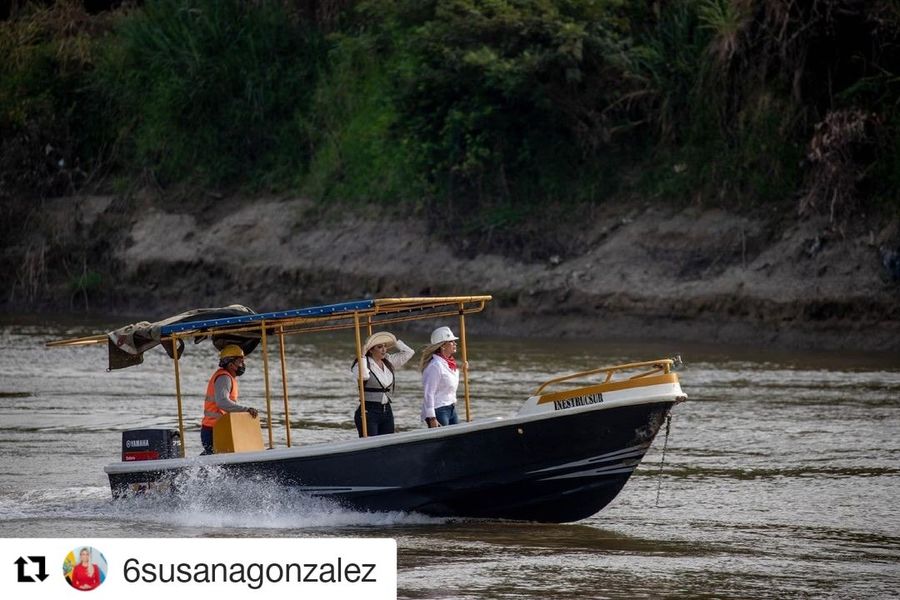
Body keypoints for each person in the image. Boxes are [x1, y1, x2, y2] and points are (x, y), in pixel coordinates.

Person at [351, 331, 414, 436]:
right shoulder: (362, 363)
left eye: (385, 346)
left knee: (388, 442)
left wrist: (395, 342)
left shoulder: (388, 361)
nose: (384, 349)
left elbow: (409, 352)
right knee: (371, 443)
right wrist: (362, 355)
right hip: (368, 411)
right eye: (380, 347)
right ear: (371, 350)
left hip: (387, 410)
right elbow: (363, 376)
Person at [201, 344, 258, 454]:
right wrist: (246, 410)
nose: (243, 365)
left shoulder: (228, 377)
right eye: (240, 361)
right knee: (216, 457)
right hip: (214, 429)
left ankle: (195, 464)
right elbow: (222, 402)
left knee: (212, 456)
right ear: (231, 364)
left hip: (217, 428)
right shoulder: (224, 378)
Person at [420, 326, 467, 428]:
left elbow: (449, 383)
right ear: (442, 346)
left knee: (456, 436)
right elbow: (429, 393)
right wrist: (432, 418)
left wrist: (462, 370)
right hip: (439, 410)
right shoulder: (435, 366)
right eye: (451, 341)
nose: (455, 343)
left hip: (451, 408)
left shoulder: (449, 363)